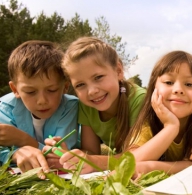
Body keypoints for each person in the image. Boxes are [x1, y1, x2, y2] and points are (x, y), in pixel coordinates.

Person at [50, 36, 146, 173]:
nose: (92, 91)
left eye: (98, 77)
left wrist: (95, 162)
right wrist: (68, 156)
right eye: (80, 85)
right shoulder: (87, 105)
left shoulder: (139, 99)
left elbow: (139, 155)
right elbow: (90, 151)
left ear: (118, 71)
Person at [123, 50, 192, 176]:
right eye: (169, 82)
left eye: (189, 84)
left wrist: (151, 167)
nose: (178, 90)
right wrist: (171, 127)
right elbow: (129, 163)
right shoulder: (149, 117)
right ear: (154, 88)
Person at [0, 40, 79, 176]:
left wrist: (23, 140)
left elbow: (60, 154)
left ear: (65, 87)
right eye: (30, 92)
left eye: (52, 90)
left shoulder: (70, 107)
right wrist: (16, 154)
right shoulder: (7, 108)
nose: (42, 101)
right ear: (15, 89)